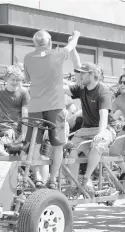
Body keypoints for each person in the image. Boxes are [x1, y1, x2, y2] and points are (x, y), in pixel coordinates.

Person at [22, 29, 81, 188]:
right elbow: (71, 46)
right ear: (50, 43)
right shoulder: (56, 54)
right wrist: (75, 35)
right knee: (58, 145)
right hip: (55, 106)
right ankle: (53, 180)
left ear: (35, 43)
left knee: (35, 144)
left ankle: (39, 178)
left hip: (35, 106)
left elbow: (27, 78)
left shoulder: (27, 57)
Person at [64, 62, 117, 195]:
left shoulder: (103, 91)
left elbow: (103, 115)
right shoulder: (81, 88)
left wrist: (100, 133)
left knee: (97, 144)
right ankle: (74, 184)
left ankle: (86, 178)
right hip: (86, 129)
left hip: (105, 127)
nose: (80, 75)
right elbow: (63, 89)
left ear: (92, 75)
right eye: (79, 72)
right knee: (70, 149)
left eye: (83, 73)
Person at [0, 66, 30, 156]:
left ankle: (15, 167)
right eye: (13, 79)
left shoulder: (23, 93)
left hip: (12, 128)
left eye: (18, 80)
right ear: (6, 79)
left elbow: (25, 114)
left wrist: (24, 134)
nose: (15, 82)